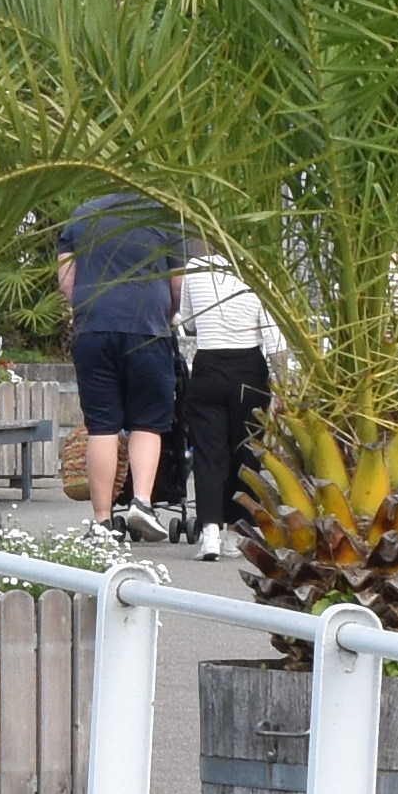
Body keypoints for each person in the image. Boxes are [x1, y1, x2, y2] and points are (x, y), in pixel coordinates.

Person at [60, 190, 188, 535]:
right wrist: (169, 314)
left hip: (93, 331)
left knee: (101, 426)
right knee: (147, 422)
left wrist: (87, 311)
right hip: (148, 331)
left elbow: (67, 282)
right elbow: (178, 284)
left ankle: (102, 519)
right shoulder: (163, 216)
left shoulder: (82, 212)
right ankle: (141, 504)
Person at [172, 243, 277, 552]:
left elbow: (189, 320)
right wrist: (283, 381)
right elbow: (272, 333)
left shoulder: (195, 267)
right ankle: (238, 528)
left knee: (208, 451)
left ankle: (210, 531)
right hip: (249, 368)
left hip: (208, 364)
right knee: (246, 451)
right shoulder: (258, 269)